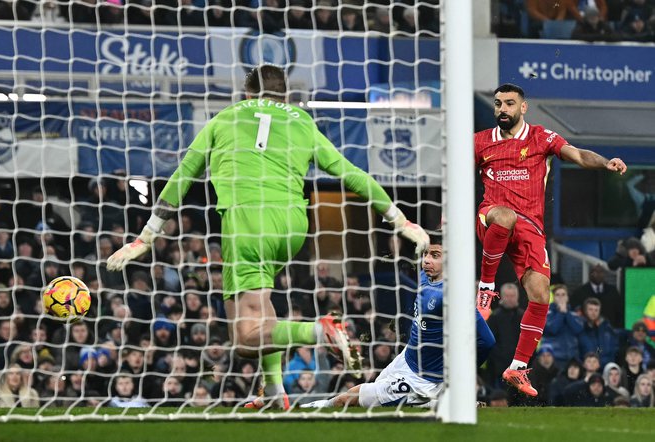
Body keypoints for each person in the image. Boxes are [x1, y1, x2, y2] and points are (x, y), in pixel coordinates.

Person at [107, 65, 429, 410]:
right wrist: (399, 219)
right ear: (285, 95)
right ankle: (274, 391)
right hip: (293, 223)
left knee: (245, 338)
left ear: (247, 94)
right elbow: (350, 173)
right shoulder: (302, 122)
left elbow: (182, 176)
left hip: (247, 221)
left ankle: (320, 331)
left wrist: (146, 236)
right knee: (255, 309)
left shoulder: (224, 119)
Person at [474, 83, 627, 396]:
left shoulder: (541, 137)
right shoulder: (478, 142)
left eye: (509, 104)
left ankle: (517, 367)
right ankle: (487, 287)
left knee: (541, 294)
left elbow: (579, 155)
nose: (503, 109)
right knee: (505, 217)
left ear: (523, 107)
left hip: (530, 227)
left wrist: (604, 162)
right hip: (492, 216)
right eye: (499, 104)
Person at [300, 234, 496, 408]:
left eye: (435, 256)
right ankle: (428, 402)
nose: (427, 261)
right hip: (406, 357)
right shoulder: (425, 276)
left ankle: (312, 407)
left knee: (350, 401)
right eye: (426, 255)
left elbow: (487, 341)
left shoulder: (452, 295)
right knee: (371, 390)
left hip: (421, 379)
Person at [541, 284, 584, 368]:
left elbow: (578, 329)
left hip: (572, 358)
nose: (561, 297)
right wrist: (561, 313)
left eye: (563, 294)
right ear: (553, 298)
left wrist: (566, 313)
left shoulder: (574, 314)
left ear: (567, 297)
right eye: (557, 295)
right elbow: (552, 329)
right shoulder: (547, 314)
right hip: (554, 359)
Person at [570, 264, 623, 328]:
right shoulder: (579, 292)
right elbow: (576, 312)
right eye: (595, 272)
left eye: (601, 272)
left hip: (609, 330)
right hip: (587, 330)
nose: (598, 275)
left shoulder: (612, 291)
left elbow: (619, 312)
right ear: (590, 274)